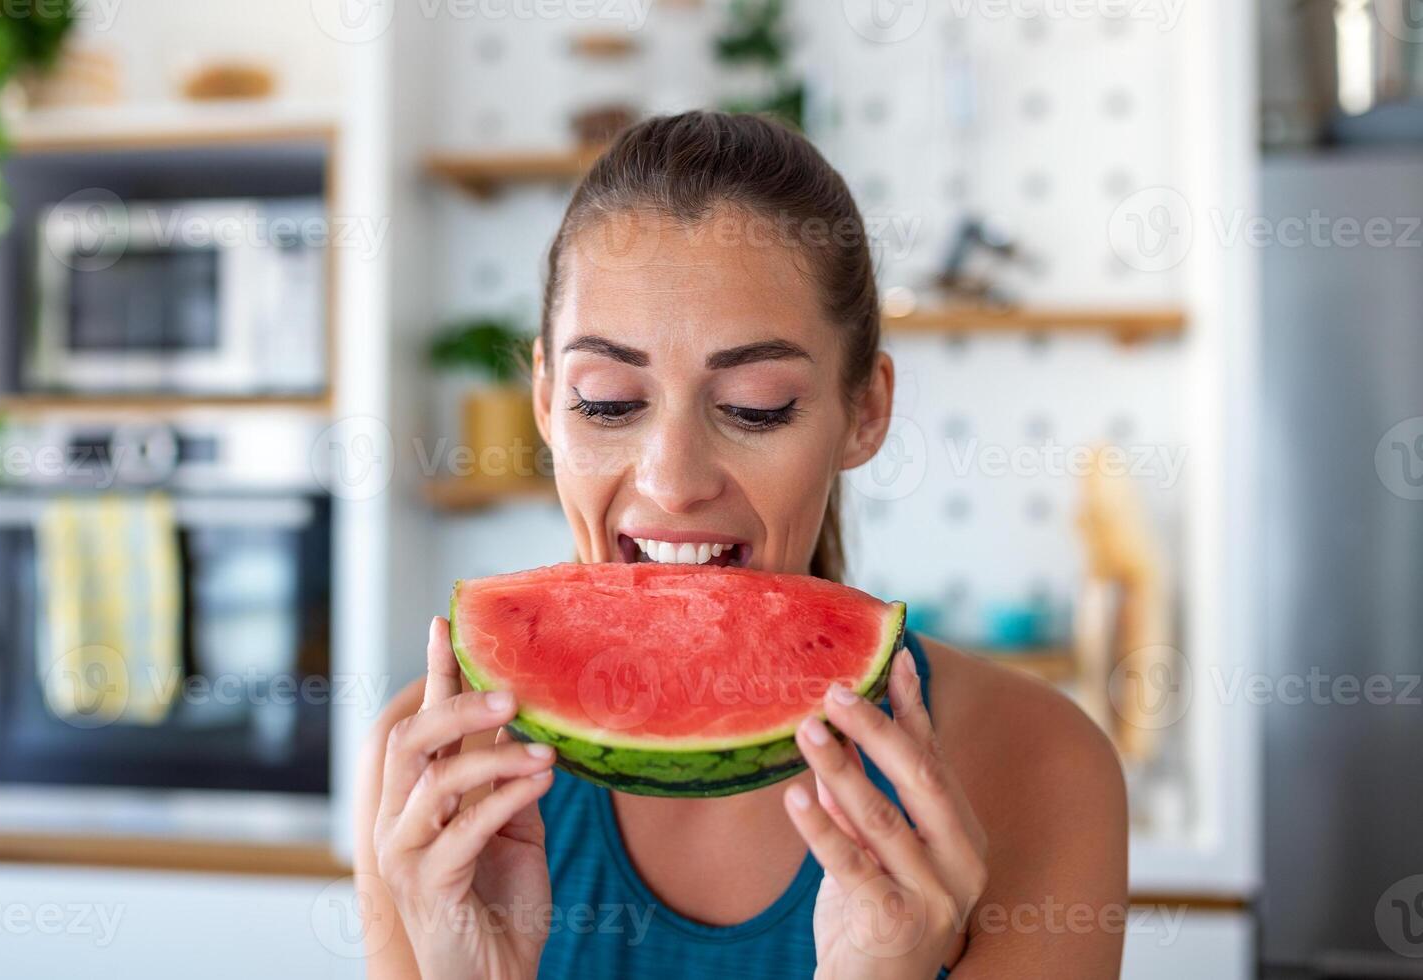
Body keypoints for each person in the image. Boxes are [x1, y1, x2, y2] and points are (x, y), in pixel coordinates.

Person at [354, 110, 1128, 979]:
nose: (674, 479)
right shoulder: (431, 778)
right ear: (544, 401)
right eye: (608, 401)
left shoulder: (1041, 766)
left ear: (864, 411)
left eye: (756, 406)